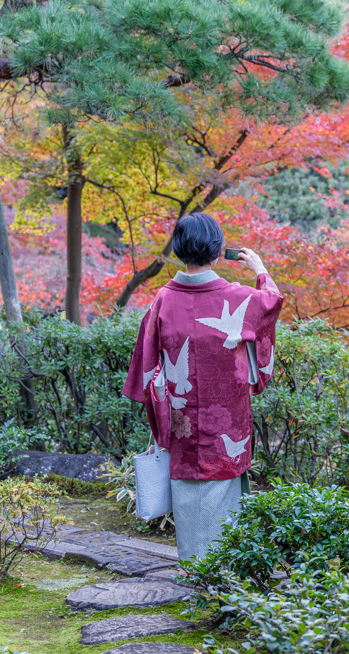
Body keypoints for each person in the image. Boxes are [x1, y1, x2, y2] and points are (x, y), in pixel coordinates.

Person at [122, 213, 284, 560]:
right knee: (224, 494)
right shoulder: (239, 298)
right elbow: (272, 302)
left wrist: (158, 410)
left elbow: (147, 367)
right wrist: (259, 269)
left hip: (181, 419)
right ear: (216, 251)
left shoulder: (163, 300)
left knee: (188, 491)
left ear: (179, 249)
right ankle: (221, 571)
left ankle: (194, 567)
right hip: (228, 417)